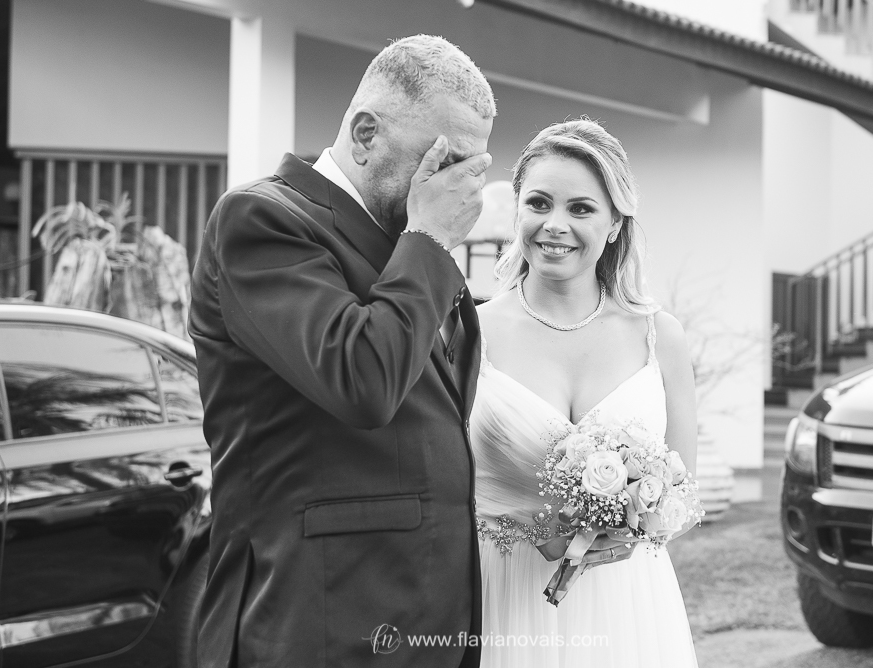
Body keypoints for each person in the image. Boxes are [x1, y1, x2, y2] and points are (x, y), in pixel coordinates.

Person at [189, 35, 494, 667]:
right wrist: (430, 239)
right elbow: (363, 380)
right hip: (316, 625)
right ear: (365, 135)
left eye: (473, 166)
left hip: (431, 629)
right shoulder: (261, 221)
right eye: (444, 161)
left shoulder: (411, 246)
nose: (460, 187)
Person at [472, 119, 700, 667]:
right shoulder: (469, 334)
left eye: (580, 208)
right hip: (507, 595)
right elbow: (441, 480)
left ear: (615, 223)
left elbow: (682, 493)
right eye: (539, 203)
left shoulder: (659, 337)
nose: (555, 225)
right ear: (517, 211)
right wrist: (538, 528)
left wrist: (634, 522)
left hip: (629, 606)